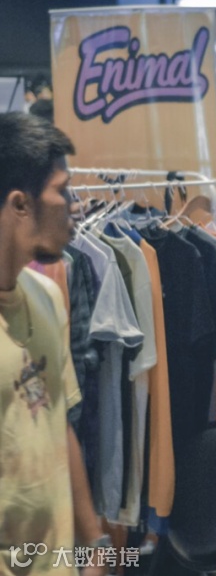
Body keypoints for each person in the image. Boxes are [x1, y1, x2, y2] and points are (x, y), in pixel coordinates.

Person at [0, 113, 109, 575]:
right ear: (20, 204)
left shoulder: (47, 296)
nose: (74, 205)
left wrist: (96, 542)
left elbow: (57, 419)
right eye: (63, 190)